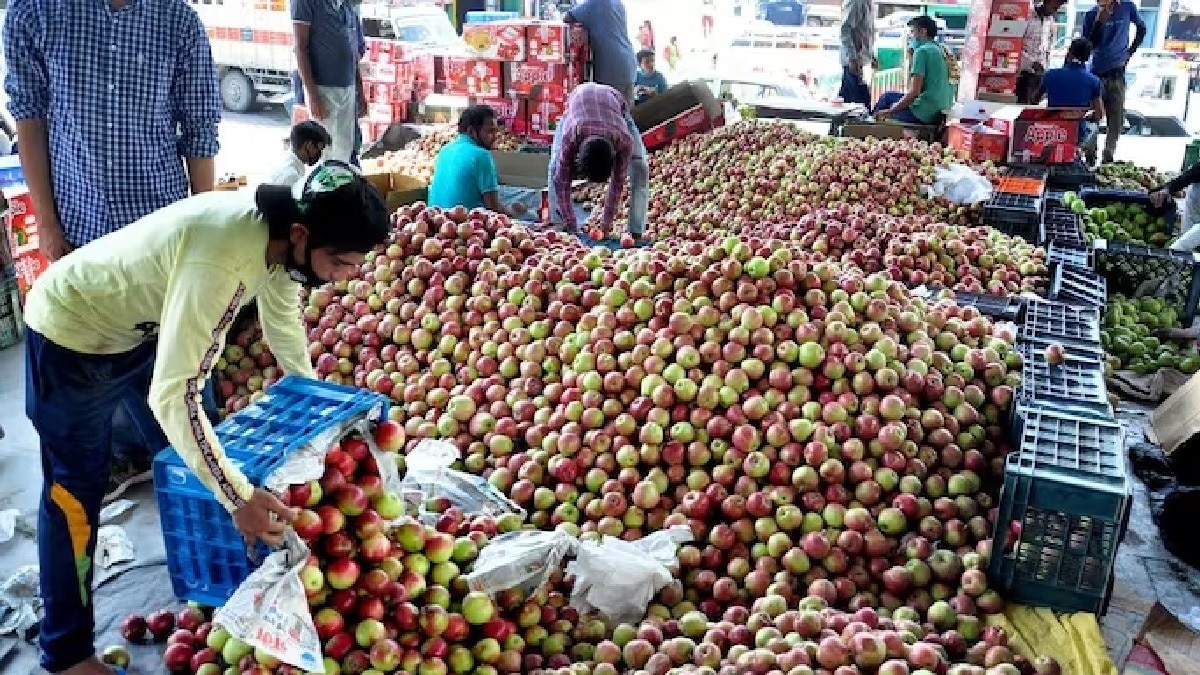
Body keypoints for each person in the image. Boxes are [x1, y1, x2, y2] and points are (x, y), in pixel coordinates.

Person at [23, 161, 390, 675]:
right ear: (304, 233)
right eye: (342, 263)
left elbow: (283, 320)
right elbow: (175, 396)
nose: (345, 276)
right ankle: (67, 654)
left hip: (140, 329)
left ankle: (217, 577)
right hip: (73, 333)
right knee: (73, 497)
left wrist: (319, 412)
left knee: (194, 461)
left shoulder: (284, 243)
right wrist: (239, 497)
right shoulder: (225, 259)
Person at [4, 0, 224, 502]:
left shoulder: (176, 19)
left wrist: (207, 230)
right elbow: (30, 118)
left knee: (178, 366)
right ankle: (128, 455)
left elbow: (200, 128)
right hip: (83, 229)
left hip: (163, 233)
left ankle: (188, 476)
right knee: (101, 360)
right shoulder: (35, 12)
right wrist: (46, 222)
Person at [547, 83, 647, 243]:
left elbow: (617, 183)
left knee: (641, 167)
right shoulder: (572, 134)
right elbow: (561, 181)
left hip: (615, 105)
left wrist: (606, 224)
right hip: (577, 104)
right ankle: (559, 225)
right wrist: (572, 224)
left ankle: (636, 230)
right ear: (578, 156)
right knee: (554, 168)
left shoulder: (623, 140)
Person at [293, 0, 368, 164]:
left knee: (344, 149)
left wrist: (360, 93)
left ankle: (341, 188)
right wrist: (312, 95)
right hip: (322, 89)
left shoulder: (348, 6)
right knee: (323, 150)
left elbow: (354, 53)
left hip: (348, 89)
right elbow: (300, 49)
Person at [428, 105, 525, 217]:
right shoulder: (481, 156)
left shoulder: (445, 149)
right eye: (490, 132)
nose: (495, 137)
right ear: (471, 131)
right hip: (465, 225)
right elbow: (493, 209)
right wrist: (514, 211)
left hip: (435, 219)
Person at [1081, 0, 1146, 164]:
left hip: (1117, 73)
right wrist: (1099, 21)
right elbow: (1088, 46)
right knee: (1094, 116)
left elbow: (1142, 28)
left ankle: (1108, 157)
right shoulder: (1090, 14)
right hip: (1096, 74)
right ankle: (1089, 155)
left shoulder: (1127, 7)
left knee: (1116, 119)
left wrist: (1130, 52)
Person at [873, 16, 954, 125]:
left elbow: (914, 92)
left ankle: (868, 130)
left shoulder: (922, 51)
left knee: (884, 104)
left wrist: (890, 111)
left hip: (924, 113)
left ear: (923, 32)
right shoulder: (944, 50)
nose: (911, 36)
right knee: (888, 97)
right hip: (942, 111)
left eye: (913, 32)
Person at [1041, 38, 1105, 162]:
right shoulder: (1094, 81)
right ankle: (1089, 159)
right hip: (1077, 134)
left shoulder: (1050, 74)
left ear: (1069, 52)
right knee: (1093, 127)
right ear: (1088, 57)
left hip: (1051, 131)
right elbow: (1099, 114)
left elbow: (1034, 100)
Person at [563, 0, 638, 103]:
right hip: (628, 61)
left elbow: (567, 18)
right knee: (625, 112)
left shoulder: (595, 3)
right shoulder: (618, 3)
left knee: (609, 111)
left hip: (611, 65)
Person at [1017, 0, 1068, 104]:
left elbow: (1048, 48)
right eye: (1054, 8)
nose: (1055, 12)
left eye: (1058, 9)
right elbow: (1017, 45)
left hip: (1040, 75)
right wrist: (1032, 63)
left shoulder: (1050, 21)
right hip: (1024, 74)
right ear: (1047, 2)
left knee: (1034, 110)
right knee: (1022, 108)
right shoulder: (1026, 16)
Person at [268, 121, 333, 187]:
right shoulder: (292, 177)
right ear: (309, 146)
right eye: (319, 148)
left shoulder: (285, 160)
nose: (320, 153)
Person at [838, 0, 877, 106]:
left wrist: (871, 55)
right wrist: (853, 57)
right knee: (859, 102)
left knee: (850, 100)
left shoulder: (869, 3)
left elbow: (866, 33)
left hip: (862, 60)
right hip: (854, 61)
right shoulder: (856, 2)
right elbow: (845, 30)